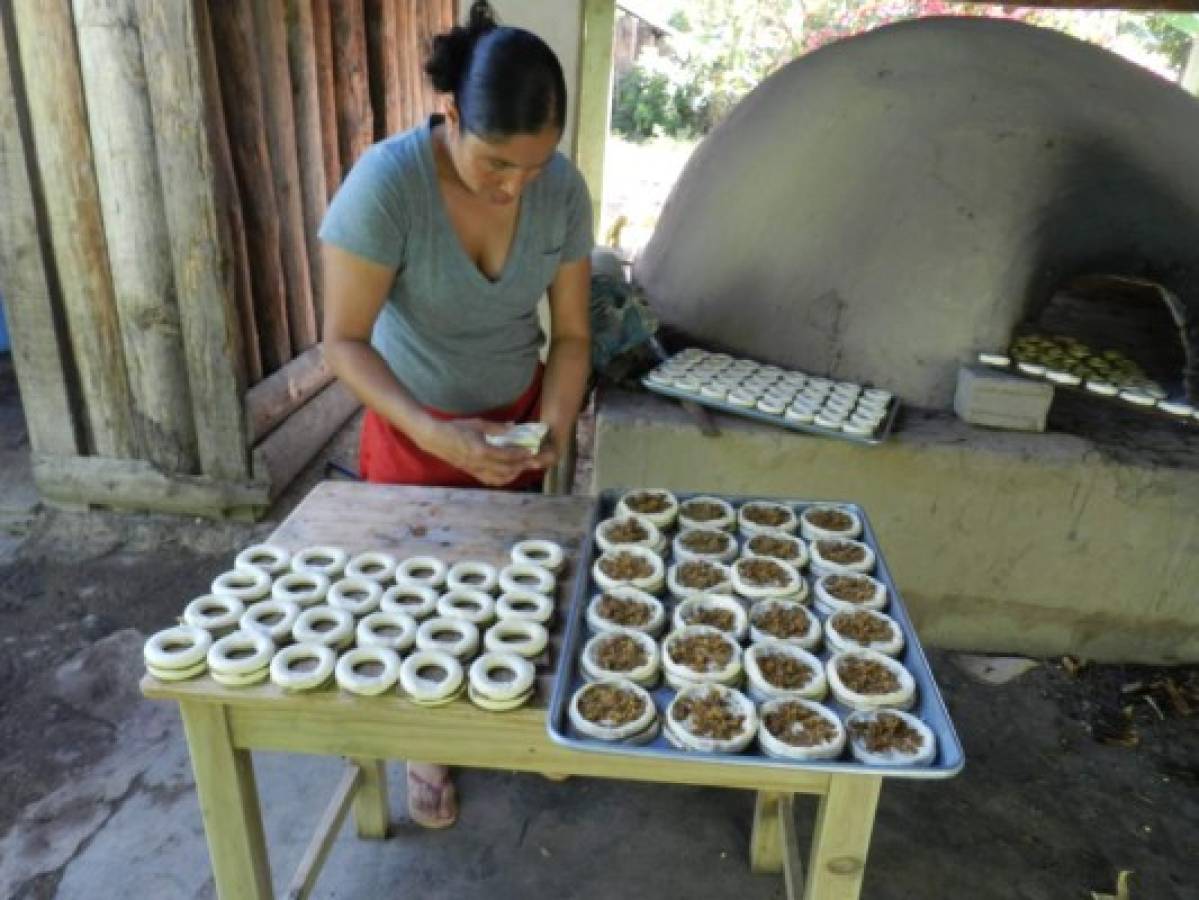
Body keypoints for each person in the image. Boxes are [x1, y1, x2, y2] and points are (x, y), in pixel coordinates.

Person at [318, 0, 593, 829]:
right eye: (495, 165)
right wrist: (436, 432)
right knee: (418, 606)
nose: (515, 187)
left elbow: (574, 335)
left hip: (517, 421)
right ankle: (425, 744)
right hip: (412, 429)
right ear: (450, 119)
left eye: (535, 168)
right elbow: (342, 343)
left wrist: (547, 432)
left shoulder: (559, 190)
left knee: (517, 597)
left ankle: (514, 721)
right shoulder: (388, 186)